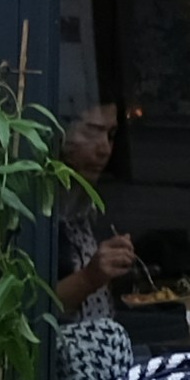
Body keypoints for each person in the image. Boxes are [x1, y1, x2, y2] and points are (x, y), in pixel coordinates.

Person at [45, 103, 146, 314]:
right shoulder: (38, 209)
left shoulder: (85, 205)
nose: (105, 149)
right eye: (92, 132)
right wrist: (90, 278)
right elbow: (33, 312)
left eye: (110, 135)